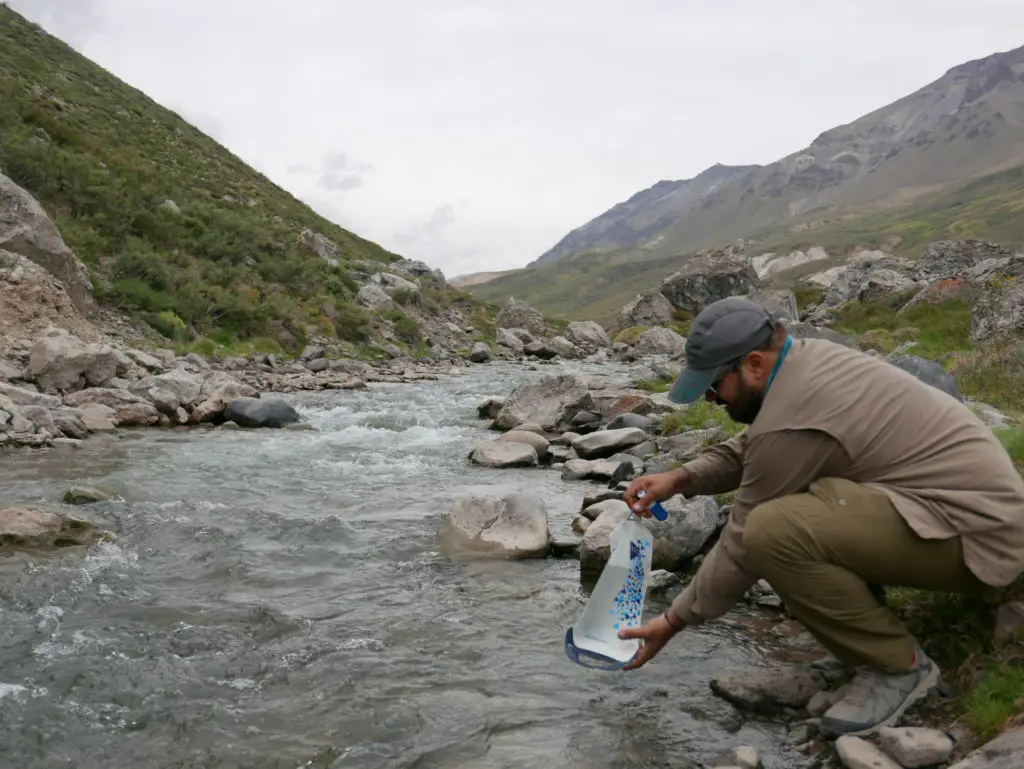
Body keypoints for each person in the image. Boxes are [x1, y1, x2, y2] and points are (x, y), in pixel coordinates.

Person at [620, 296, 1024, 737]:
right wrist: (681, 478)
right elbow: (758, 446)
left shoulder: (796, 409)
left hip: (979, 538)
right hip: (959, 514)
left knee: (772, 532)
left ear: (753, 364)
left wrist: (672, 621)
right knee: (804, 509)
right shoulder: (802, 364)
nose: (712, 399)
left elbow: (739, 545)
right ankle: (860, 646)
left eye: (715, 386)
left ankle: (900, 667)